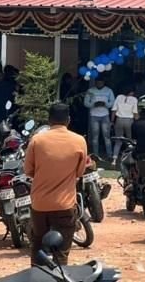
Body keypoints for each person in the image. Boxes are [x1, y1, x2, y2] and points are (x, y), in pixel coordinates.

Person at [24, 103, 87, 267]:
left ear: (49, 120)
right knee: (61, 252)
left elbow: (28, 170)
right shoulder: (79, 141)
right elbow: (79, 172)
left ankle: (36, 276)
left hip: (40, 205)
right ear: (68, 120)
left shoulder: (37, 140)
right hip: (64, 205)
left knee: (37, 247)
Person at [84, 77, 115, 159]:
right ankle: (96, 155)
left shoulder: (109, 90)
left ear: (104, 82)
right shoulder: (90, 91)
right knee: (95, 136)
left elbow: (112, 102)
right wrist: (94, 104)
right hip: (94, 115)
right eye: (98, 82)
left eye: (101, 82)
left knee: (107, 136)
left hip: (105, 115)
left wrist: (105, 104)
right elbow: (86, 103)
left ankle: (109, 155)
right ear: (95, 83)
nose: (99, 84)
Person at [111, 86, 138, 165]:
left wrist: (112, 121)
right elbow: (135, 113)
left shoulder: (119, 97)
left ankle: (114, 160)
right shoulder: (134, 99)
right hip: (129, 121)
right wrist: (138, 121)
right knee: (130, 141)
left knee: (118, 141)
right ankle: (129, 159)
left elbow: (114, 110)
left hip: (119, 120)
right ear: (131, 92)